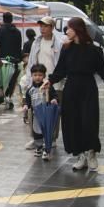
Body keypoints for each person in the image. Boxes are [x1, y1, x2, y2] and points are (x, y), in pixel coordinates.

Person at [43, 17, 104, 172]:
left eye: (69, 28)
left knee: (89, 121)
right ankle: (80, 155)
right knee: (73, 122)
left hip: (88, 89)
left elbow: (102, 70)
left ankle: (91, 154)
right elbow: (60, 70)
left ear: (77, 29)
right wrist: (49, 81)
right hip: (71, 89)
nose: (66, 31)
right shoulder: (66, 48)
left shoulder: (93, 49)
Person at [25, 17, 65, 149]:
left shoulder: (59, 43)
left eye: (46, 26)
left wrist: (59, 80)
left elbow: (61, 64)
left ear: (52, 27)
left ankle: (52, 138)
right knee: (35, 111)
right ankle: (36, 138)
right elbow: (31, 62)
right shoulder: (36, 42)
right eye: (41, 26)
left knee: (53, 111)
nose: (42, 29)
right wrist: (29, 80)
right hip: (38, 82)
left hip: (54, 83)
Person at [24, 64, 58, 161]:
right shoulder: (30, 89)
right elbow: (27, 100)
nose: (37, 77)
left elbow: (54, 95)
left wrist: (54, 100)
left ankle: (46, 149)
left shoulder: (48, 87)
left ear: (44, 76)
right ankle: (38, 146)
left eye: (40, 75)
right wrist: (26, 105)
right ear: (31, 76)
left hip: (46, 114)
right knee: (36, 132)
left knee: (46, 131)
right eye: (35, 75)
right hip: (35, 115)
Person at [0, 12, 23, 107]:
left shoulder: (0, 30)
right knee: (12, 81)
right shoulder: (18, 32)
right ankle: (8, 97)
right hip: (14, 61)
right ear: (12, 19)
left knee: (1, 81)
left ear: (3, 19)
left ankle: (2, 98)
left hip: (2, 60)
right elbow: (19, 46)